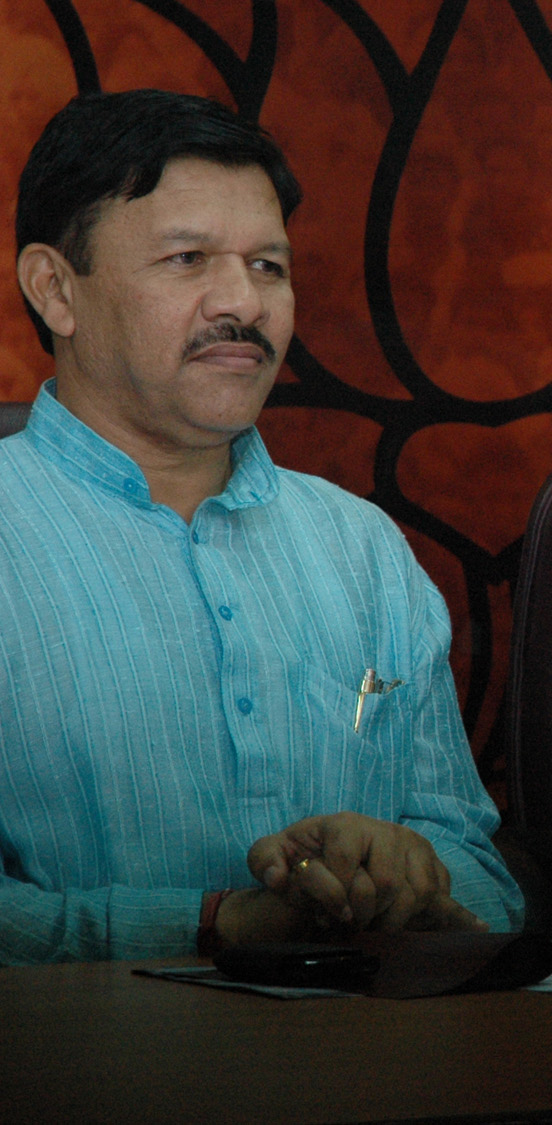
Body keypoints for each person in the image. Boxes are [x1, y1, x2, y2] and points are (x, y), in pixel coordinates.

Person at [1, 90, 521, 964]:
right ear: (56, 289)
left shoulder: (361, 549)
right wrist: (214, 924)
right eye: (189, 258)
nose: (242, 302)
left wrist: (408, 880)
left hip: (373, 1073)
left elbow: (487, 879)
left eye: (270, 266)